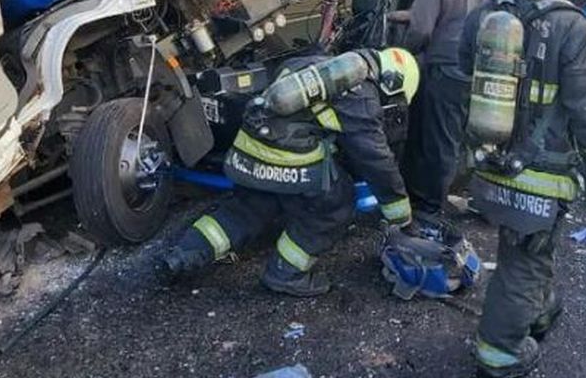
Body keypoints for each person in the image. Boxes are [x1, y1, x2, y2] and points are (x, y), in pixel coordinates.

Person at [460, 0, 586, 378]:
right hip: (540, 175)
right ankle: (500, 354)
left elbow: (461, 75)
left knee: (526, 249)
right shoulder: (573, 27)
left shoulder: (489, 16)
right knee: (523, 262)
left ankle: (541, 313)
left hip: (489, 164)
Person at [159, 47, 420, 296]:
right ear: (392, 82)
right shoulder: (360, 96)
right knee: (334, 208)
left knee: (246, 210)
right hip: (286, 158)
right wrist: (401, 217)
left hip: (247, 150)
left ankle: (181, 256)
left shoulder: (315, 63)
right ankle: (286, 275)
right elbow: (376, 162)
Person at [398, 0, 502, 230]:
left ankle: (430, 205)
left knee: (438, 138)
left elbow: (421, 31)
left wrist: (404, 53)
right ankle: (468, 191)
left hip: (445, 69)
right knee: (468, 136)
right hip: (480, 69)